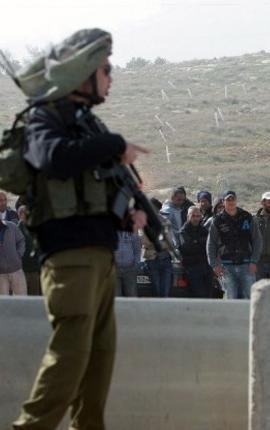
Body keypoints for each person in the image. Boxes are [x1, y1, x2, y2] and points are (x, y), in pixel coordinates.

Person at [13, 29, 148, 430]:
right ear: (83, 73)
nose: (111, 76)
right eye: (105, 69)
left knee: (98, 364)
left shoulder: (87, 124)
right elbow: (52, 159)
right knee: (69, 360)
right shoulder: (44, 117)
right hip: (70, 260)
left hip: (100, 257)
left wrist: (127, 216)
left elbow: (90, 191)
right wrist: (113, 144)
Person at [207, 190, 262, 299]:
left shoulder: (247, 217)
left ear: (236, 200)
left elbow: (257, 240)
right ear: (223, 202)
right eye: (228, 200)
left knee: (250, 297)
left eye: (233, 199)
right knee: (232, 298)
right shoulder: (217, 221)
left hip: (247, 265)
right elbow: (211, 243)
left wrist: (254, 261)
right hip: (226, 266)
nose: (231, 202)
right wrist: (214, 264)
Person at [142, 198, 174, 298]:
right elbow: (144, 242)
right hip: (152, 259)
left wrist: (153, 242)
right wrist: (160, 243)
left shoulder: (166, 222)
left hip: (165, 259)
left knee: (165, 292)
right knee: (156, 290)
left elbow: (169, 241)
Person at [179, 206, 213, 298]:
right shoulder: (183, 231)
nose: (196, 218)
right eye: (193, 216)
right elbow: (187, 248)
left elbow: (209, 245)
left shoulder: (203, 230)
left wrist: (196, 241)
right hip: (192, 268)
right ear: (188, 216)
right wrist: (200, 242)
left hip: (206, 267)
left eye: (198, 216)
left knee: (209, 294)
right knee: (199, 294)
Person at [17, 206, 41, 295]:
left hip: (34, 270)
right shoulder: (15, 230)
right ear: (19, 215)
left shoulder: (34, 229)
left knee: (35, 296)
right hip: (21, 271)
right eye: (24, 213)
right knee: (22, 297)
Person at [0, 217, 27, 295]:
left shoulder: (12, 226)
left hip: (16, 270)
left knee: (22, 300)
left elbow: (21, 241)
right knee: (3, 303)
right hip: (1, 274)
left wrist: (18, 255)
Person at [114, 230, 141, 297]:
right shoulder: (111, 234)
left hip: (130, 270)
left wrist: (136, 266)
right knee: (116, 296)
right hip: (115, 270)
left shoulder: (133, 234)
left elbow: (137, 251)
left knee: (131, 295)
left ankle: (133, 308)